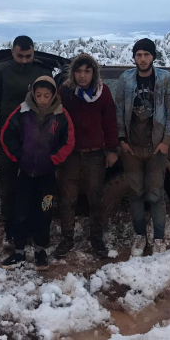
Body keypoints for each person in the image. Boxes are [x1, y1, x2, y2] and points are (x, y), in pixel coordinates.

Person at [0, 76, 75, 270]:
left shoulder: (61, 115)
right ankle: (19, 251)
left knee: (44, 210)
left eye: (46, 95)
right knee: (21, 211)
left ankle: (41, 250)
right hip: (24, 173)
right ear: (33, 94)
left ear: (53, 96)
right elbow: (7, 134)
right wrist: (18, 156)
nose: (42, 99)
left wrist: (53, 159)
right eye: (39, 95)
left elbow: (68, 141)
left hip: (47, 175)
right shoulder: (22, 111)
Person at [0, 36, 52, 249]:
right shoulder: (1, 71)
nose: (24, 60)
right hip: (7, 138)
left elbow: (53, 106)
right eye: (20, 56)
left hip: (37, 139)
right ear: (12, 52)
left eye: (28, 56)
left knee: (34, 185)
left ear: (34, 52)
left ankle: (32, 228)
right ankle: (11, 228)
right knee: (8, 184)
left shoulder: (43, 72)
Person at [115, 38, 170, 256]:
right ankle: (140, 236)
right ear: (134, 57)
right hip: (132, 148)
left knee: (156, 194)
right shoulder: (126, 79)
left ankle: (159, 237)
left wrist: (166, 142)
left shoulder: (165, 79)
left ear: (153, 56)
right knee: (135, 193)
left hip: (155, 148)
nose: (142, 59)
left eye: (146, 54)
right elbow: (119, 110)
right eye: (138, 54)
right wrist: (122, 140)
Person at [55, 53, 119, 258]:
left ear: (94, 73)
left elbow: (110, 122)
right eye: (79, 71)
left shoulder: (103, 92)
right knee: (67, 198)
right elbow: (54, 121)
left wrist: (111, 150)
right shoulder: (65, 91)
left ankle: (96, 239)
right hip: (70, 154)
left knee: (95, 198)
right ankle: (66, 239)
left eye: (87, 71)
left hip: (95, 155)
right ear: (73, 73)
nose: (82, 75)